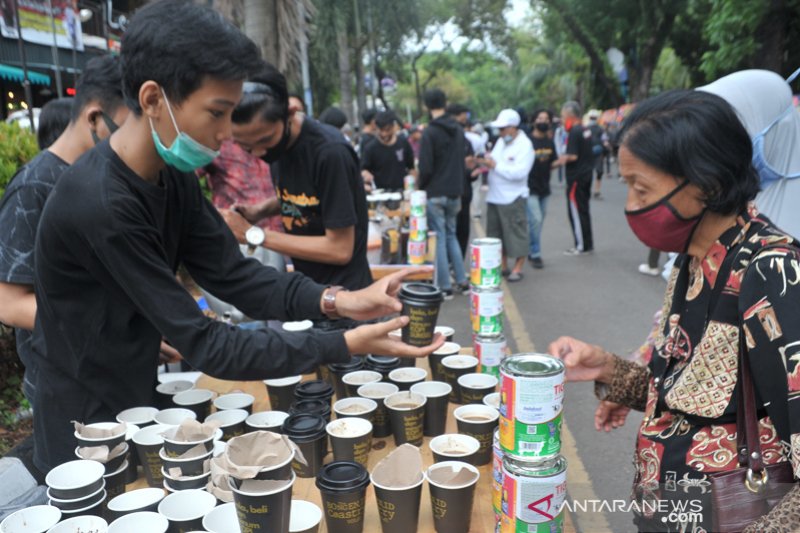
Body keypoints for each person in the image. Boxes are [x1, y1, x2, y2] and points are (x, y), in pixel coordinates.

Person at [30, 0, 440, 474]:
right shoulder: (102, 205)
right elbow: (207, 343)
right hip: (85, 423)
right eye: (217, 112)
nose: (226, 133)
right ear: (152, 99)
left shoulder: (172, 174)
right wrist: (342, 344)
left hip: (137, 392)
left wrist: (339, 302)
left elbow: (235, 274)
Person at [549, 89, 800, 532]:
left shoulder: (771, 270)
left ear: (709, 185)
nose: (630, 206)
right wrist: (608, 368)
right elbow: (695, 393)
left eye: (641, 188)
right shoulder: (693, 259)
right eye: (628, 186)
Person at [0, 56, 129, 408]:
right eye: (128, 129)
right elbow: (9, 304)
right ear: (94, 118)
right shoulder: (35, 186)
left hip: (115, 373)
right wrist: (110, 328)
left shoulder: (107, 178)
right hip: (64, 387)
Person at [227, 63, 373, 292]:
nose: (258, 153)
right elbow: (308, 197)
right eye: (246, 146)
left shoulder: (330, 153)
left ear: (290, 113)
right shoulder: (280, 146)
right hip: (310, 290)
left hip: (348, 296)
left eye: (265, 140)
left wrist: (253, 235)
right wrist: (260, 211)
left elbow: (340, 249)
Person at [418, 88, 469, 299]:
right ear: (445, 103)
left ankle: (445, 287)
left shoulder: (429, 132)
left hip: (436, 192)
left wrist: (421, 186)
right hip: (455, 190)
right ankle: (463, 281)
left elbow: (426, 167)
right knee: (451, 235)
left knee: (438, 237)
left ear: (426, 106)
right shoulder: (458, 129)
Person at [481, 109, 534, 281]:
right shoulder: (501, 142)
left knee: (516, 233)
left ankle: (518, 268)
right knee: (497, 235)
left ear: (513, 127)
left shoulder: (525, 145)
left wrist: (495, 165)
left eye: (503, 129)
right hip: (495, 196)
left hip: (513, 197)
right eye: (500, 129)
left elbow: (520, 173)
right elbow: (494, 160)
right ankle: (502, 265)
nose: (501, 132)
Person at [201, 140, 283, 234]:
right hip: (237, 233)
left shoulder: (275, 139)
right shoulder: (217, 143)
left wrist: (260, 210)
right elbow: (187, 178)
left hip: (283, 233)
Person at [557, 100, 595, 255]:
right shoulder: (585, 129)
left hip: (576, 177)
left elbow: (572, 156)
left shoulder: (574, 131)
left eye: (562, 115)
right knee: (584, 210)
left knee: (576, 212)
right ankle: (587, 243)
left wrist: (559, 160)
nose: (562, 118)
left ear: (569, 115)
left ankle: (581, 245)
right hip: (586, 175)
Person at [526, 109, 561, 269]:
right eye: (540, 118)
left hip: (544, 188)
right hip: (529, 188)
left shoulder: (549, 141)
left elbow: (551, 162)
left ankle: (528, 247)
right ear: (534, 121)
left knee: (537, 223)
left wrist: (561, 162)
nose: (543, 121)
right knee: (536, 219)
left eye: (546, 119)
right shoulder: (527, 141)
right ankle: (535, 253)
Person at [446, 103, 477, 257]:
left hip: (464, 191)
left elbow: (470, 166)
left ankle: (458, 261)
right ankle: (452, 263)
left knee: (462, 229)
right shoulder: (443, 139)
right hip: (449, 192)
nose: (465, 119)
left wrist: (473, 170)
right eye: (462, 115)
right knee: (450, 231)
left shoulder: (466, 142)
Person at [360, 110, 415, 192]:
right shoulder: (370, 148)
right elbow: (363, 169)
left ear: (394, 127)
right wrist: (365, 174)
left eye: (387, 130)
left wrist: (414, 186)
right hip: (380, 193)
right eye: (381, 130)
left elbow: (411, 168)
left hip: (403, 191)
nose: (384, 134)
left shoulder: (403, 143)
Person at [586, 109, 608, 199]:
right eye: (592, 117)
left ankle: (596, 191)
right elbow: (605, 140)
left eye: (594, 118)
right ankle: (593, 190)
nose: (593, 119)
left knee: (598, 172)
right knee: (592, 172)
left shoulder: (599, 129)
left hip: (595, 153)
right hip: (591, 153)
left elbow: (605, 140)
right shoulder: (587, 128)